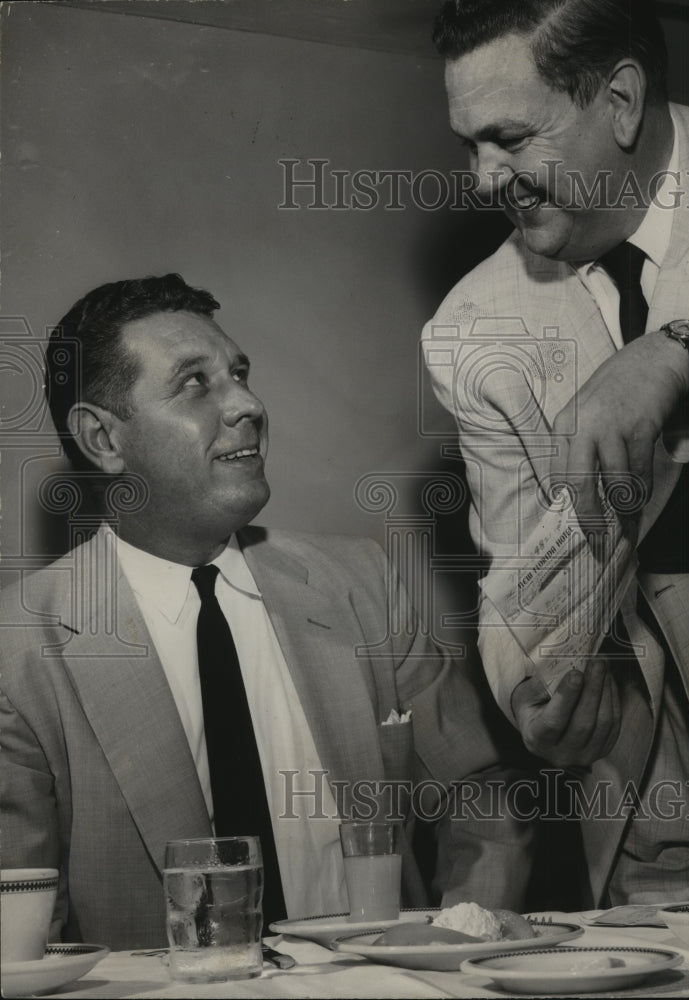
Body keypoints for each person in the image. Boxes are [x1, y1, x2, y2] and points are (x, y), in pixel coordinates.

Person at [0, 274, 534, 951]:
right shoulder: (18, 651)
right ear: (104, 440)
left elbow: (480, 792)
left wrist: (462, 939)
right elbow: (19, 939)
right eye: (196, 383)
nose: (248, 404)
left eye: (240, 373)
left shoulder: (361, 584)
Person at [423, 0, 689, 907]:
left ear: (620, 99)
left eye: (510, 138)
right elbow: (518, 573)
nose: (486, 180)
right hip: (670, 834)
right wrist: (534, 690)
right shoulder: (470, 329)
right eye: (469, 146)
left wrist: (686, 355)